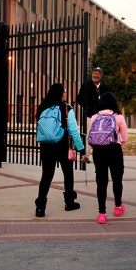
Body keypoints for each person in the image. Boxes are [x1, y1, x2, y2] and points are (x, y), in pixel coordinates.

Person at [35, 83, 87, 217]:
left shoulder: (41, 108)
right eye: (64, 92)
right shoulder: (66, 108)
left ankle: (40, 207)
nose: (65, 94)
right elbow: (73, 131)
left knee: (46, 176)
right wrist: (81, 149)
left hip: (46, 146)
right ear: (60, 94)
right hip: (62, 146)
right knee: (68, 173)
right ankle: (69, 202)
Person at [87, 92, 128, 224]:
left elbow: (91, 136)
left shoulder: (94, 117)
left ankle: (102, 213)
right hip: (114, 150)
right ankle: (118, 207)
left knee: (101, 181)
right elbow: (125, 138)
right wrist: (119, 139)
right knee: (117, 179)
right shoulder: (118, 117)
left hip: (98, 151)